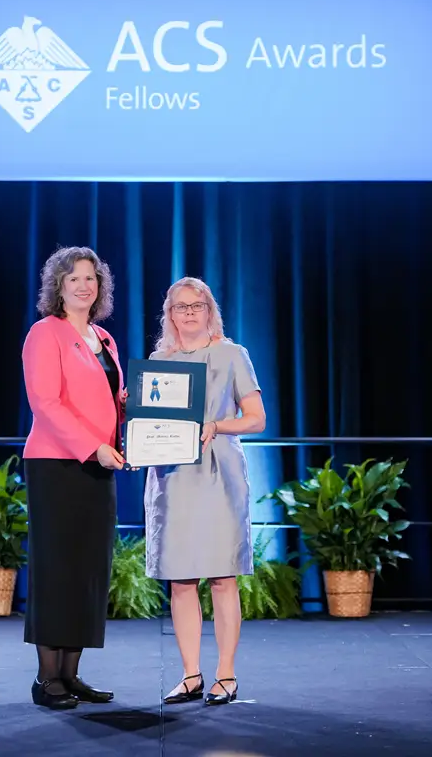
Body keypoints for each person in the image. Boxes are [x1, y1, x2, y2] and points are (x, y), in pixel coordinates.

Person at [143, 277, 266, 706]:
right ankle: (191, 674)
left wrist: (215, 426)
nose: (189, 313)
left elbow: (256, 418)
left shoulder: (232, 355)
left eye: (197, 306)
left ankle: (225, 675)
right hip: (173, 476)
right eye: (181, 307)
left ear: (210, 311)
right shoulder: (160, 360)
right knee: (180, 580)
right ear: (170, 313)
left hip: (219, 473)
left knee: (222, 576)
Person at [21, 245, 127, 710]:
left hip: (99, 464)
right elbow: (46, 404)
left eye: (91, 278)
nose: (85, 285)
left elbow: (112, 401)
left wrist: (140, 423)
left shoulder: (105, 339)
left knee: (88, 571)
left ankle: (72, 674)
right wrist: (92, 447)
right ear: (58, 287)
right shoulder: (46, 334)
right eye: (74, 279)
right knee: (57, 570)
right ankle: (48, 679)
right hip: (57, 465)